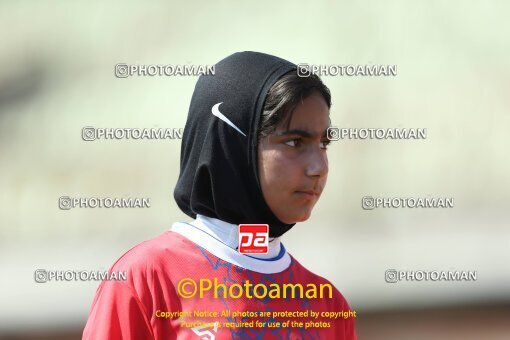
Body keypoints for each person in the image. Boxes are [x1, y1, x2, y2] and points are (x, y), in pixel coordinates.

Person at [83, 51, 357, 339]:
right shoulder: (146, 278)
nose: (319, 167)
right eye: (294, 141)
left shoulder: (328, 306)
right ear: (232, 142)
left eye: (324, 145)